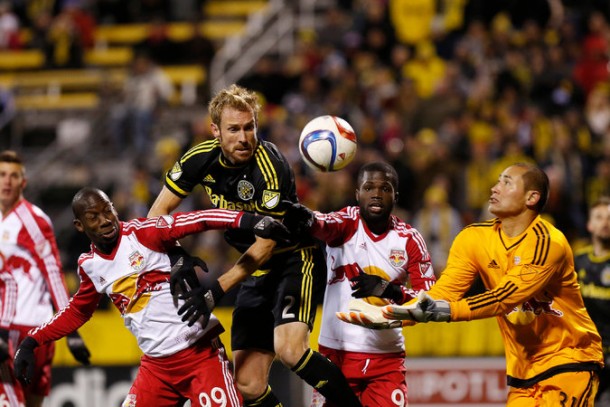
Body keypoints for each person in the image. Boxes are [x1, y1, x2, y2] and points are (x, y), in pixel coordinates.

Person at [148, 84, 362, 407]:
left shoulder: (270, 166)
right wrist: (176, 254)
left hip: (293, 259)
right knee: (247, 385)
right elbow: (156, 215)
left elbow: (265, 246)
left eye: (249, 127)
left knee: (290, 349)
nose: (244, 138)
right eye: (234, 129)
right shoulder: (198, 159)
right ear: (215, 131)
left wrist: (214, 292)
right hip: (255, 271)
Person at [341, 163, 604, 405]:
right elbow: (442, 294)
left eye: (506, 182)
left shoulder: (549, 242)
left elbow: (504, 298)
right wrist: (393, 315)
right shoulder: (473, 238)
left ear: (531, 198)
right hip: (524, 371)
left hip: (570, 360)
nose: (494, 187)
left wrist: (445, 312)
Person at [13, 187, 291, 406]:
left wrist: (250, 221)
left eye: (107, 210)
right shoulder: (89, 265)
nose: (105, 220)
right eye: (93, 217)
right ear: (79, 225)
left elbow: (198, 220)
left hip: (199, 355)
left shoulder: (142, 233)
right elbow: (77, 311)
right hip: (156, 369)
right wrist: (31, 341)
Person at [287, 162, 437, 406]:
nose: (376, 194)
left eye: (385, 188)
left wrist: (389, 290)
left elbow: (430, 301)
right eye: (369, 187)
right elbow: (322, 224)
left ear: (395, 196)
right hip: (337, 356)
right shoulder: (346, 224)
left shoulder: (409, 239)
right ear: (357, 194)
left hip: (386, 359)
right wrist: (304, 217)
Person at [0, 150, 90, 407]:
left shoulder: (33, 221)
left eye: (13, 176)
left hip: (24, 328)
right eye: (2, 175)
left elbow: (53, 272)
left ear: (23, 183)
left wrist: (71, 329)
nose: (7, 181)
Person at [574, 197, 610, 405]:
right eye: (599, 217)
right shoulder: (577, 261)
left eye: (609, 218)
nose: (605, 222)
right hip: (585, 355)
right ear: (589, 224)